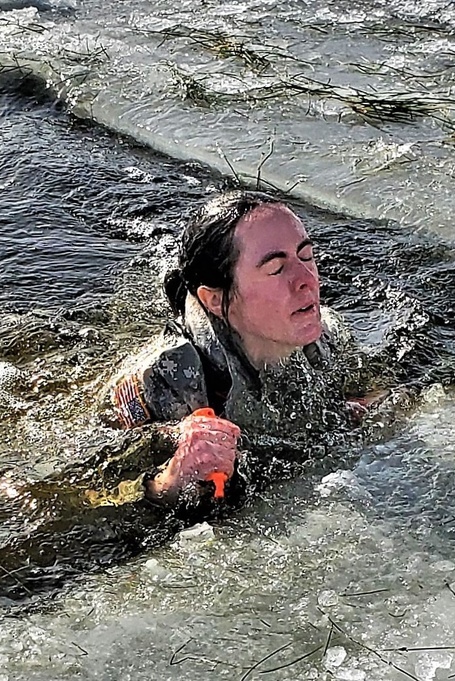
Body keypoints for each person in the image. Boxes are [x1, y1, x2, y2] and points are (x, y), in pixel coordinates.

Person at [103, 190, 393, 506]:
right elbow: (88, 497)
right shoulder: (161, 380)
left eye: (306, 256)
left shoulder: (327, 335)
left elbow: (376, 392)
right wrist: (170, 483)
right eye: (277, 268)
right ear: (215, 300)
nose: (306, 280)